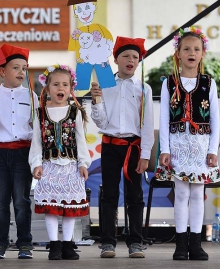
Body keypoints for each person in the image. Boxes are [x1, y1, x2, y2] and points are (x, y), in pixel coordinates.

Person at [156, 26, 219, 261]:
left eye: (196, 49)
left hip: (201, 147)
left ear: (202, 53)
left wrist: (213, 150)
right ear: (178, 54)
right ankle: (180, 244)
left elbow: (215, 119)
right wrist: (165, 150)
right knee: (181, 193)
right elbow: (163, 118)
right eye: (186, 49)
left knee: (197, 194)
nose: (191, 52)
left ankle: (196, 243)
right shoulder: (169, 83)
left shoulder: (208, 84)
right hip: (178, 145)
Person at [90, 36, 154, 258]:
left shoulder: (143, 88)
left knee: (135, 195)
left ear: (139, 62)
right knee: (109, 195)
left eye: (136, 57)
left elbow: (147, 124)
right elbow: (100, 122)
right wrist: (96, 102)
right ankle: (107, 242)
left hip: (133, 148)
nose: (131, 60)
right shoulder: (106, 84)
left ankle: (135, 242)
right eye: (126, 56)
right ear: (116, 60)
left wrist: (145, 154)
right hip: (109, 145)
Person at [0, 44, 38, 259]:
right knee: (0, 203)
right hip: (0, 154)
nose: (21, 72)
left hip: (23, 153)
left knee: (22, 202)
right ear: (2, 71)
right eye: (16, 68)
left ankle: (25, 244)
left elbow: (36, 128)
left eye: (24, 68)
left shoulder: (31, 96)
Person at [29, 64, 90, 260]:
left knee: (69, 208)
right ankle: (54, 244)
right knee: (52, 207)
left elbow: (81, 140)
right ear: (46, 88)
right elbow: (37, 142)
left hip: (71, 167)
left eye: (65, 84)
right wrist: (36, 164)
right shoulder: (40, 113)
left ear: (71, 88)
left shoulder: (75, 112)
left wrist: (83, 163)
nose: (60, 88)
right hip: (49, 167)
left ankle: (68, 244)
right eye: (56, 84)